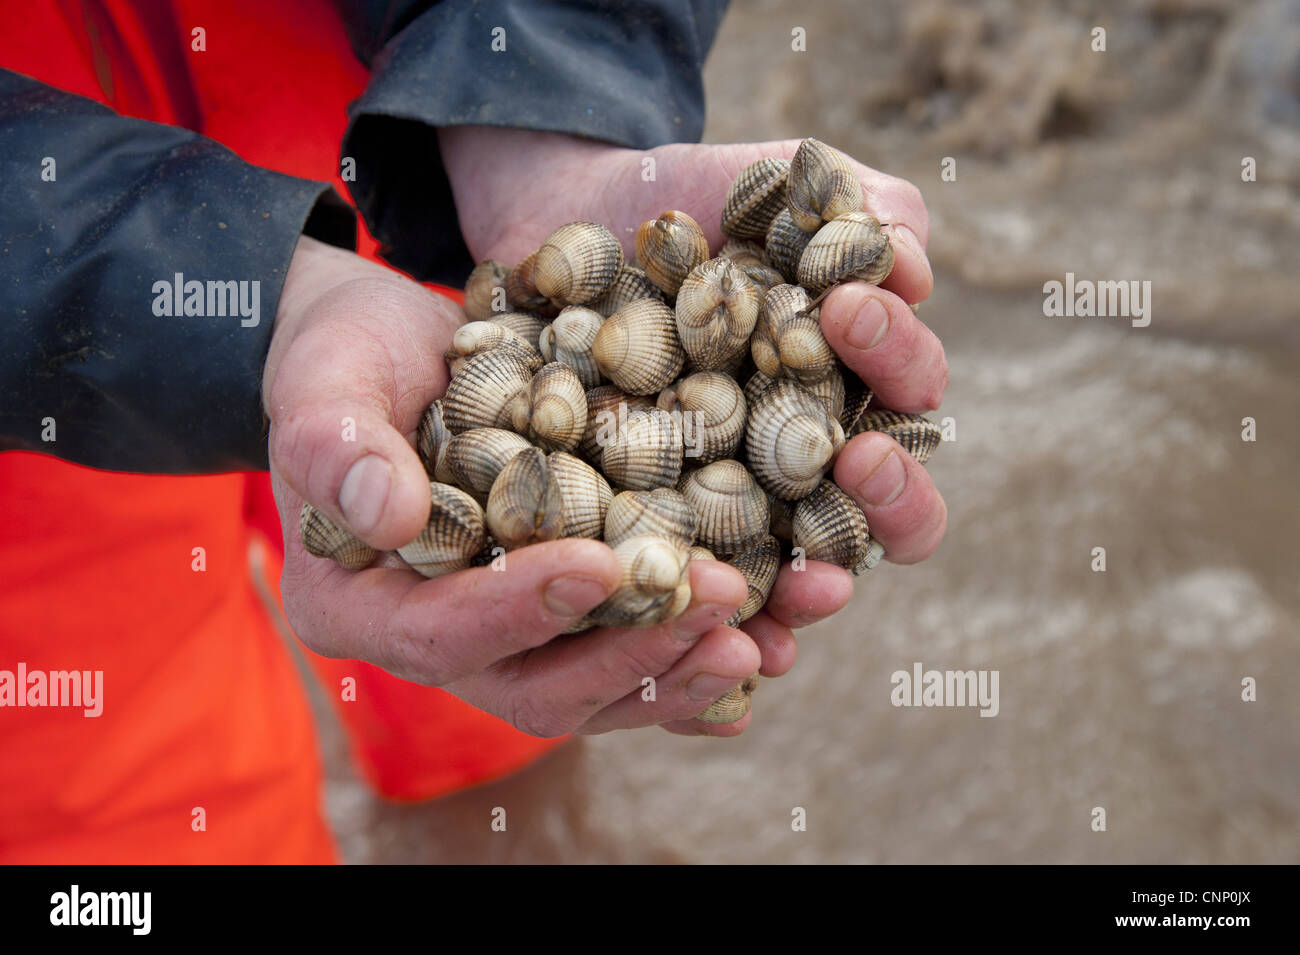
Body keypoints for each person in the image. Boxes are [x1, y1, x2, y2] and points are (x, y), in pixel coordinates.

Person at [0, 0, 947, 863]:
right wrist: (271, 296)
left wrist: (541, 97)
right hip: (30, 275)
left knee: (489, 631)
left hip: (380, 103)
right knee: (120, 792)